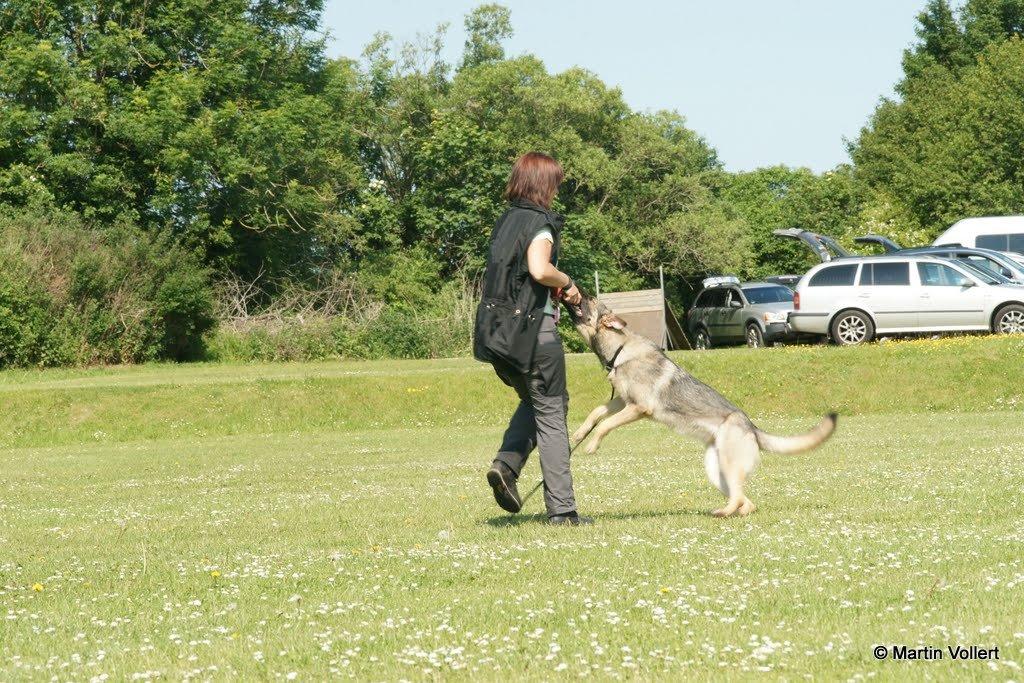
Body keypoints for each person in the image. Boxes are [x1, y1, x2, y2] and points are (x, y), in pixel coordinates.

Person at [472, 152, 592, 526]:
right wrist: (567, 282)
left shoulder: (505, 221)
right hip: (533, 335)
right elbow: (540, 269)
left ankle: (506, 466)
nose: (556, 192)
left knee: (536, 401)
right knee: (553, 413)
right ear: (543, 185)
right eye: (555, 184)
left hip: (496, 335)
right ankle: (563, 511)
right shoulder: (540, 223)